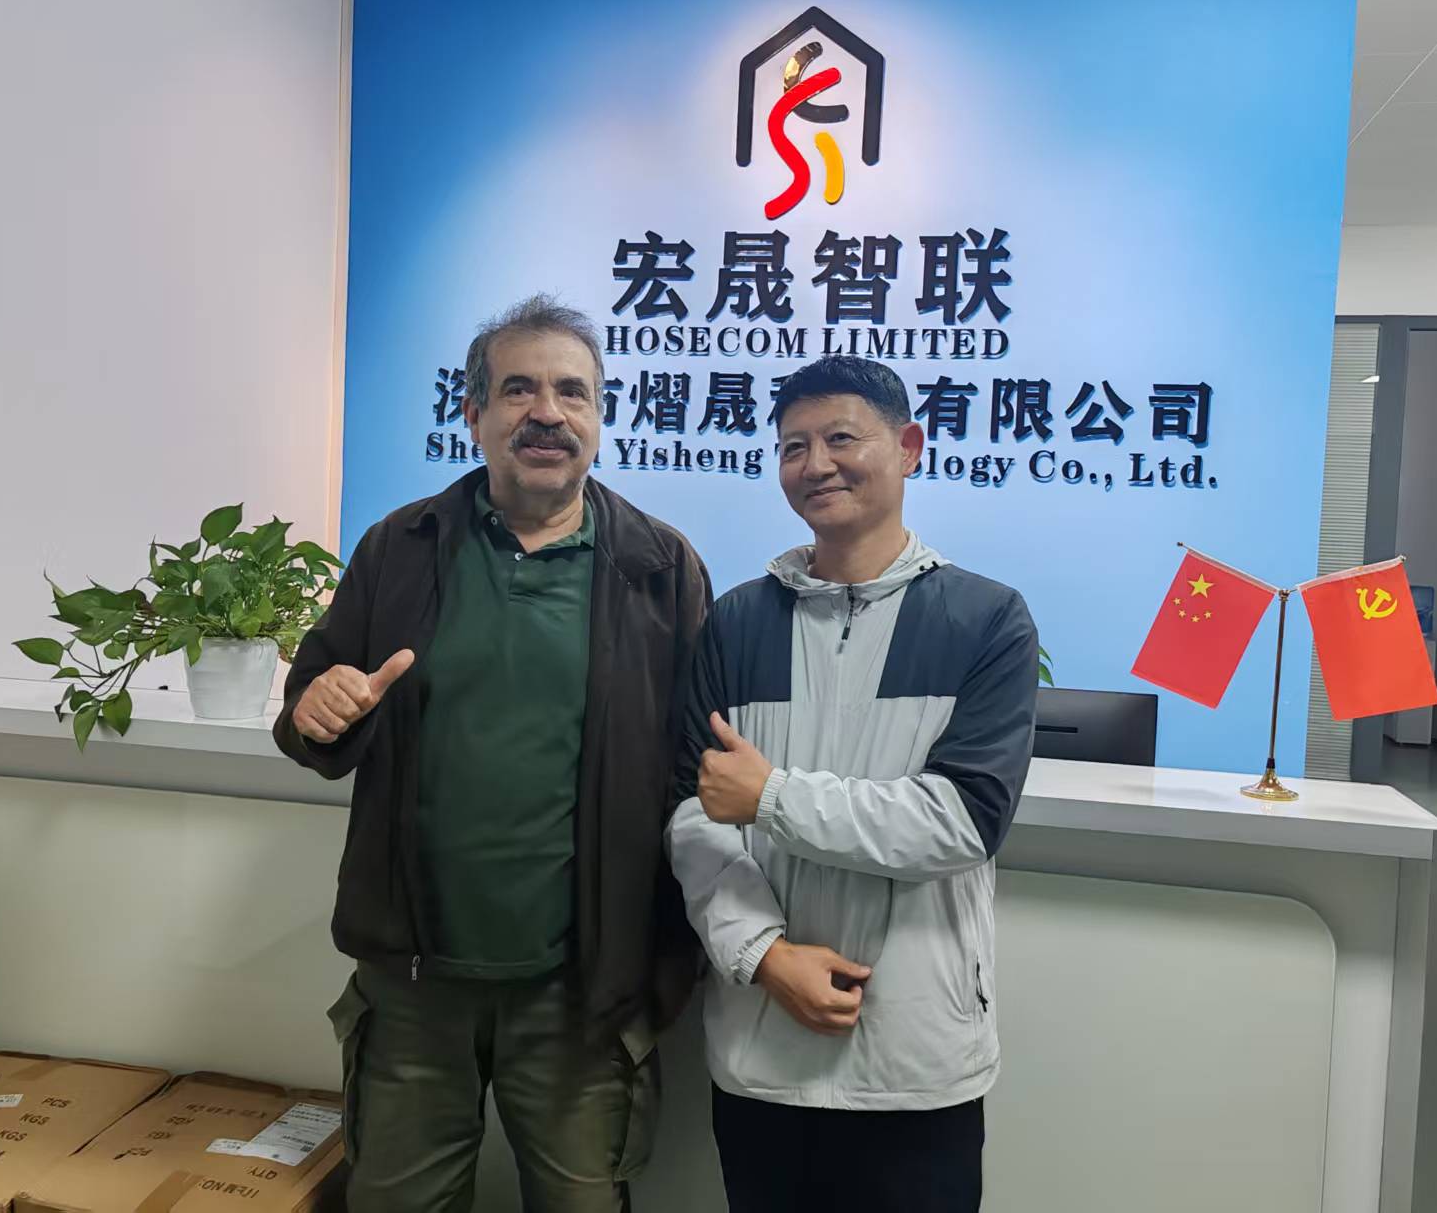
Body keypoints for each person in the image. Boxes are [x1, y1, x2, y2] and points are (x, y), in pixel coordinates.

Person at [275, 294, 711, 1212]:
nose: (546, 412)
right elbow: (314, 700)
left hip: (583, 992)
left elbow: (692, 775)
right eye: (518, 390)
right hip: (412, 986)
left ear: (600, 415)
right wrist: (316, 708)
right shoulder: (401, 547)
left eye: (572, 392)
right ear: (473, 413)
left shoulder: (659, 568)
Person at [667, 355, 1039, 1212]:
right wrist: (763, 956)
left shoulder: (985, 619)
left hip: (914, 1057)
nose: (816, 463)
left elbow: (960, 820)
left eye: (841, 437)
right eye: (793, 446)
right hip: (762, 1051)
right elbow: (694, 815)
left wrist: (773, 798)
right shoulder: (738, 621)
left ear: (908, 447)